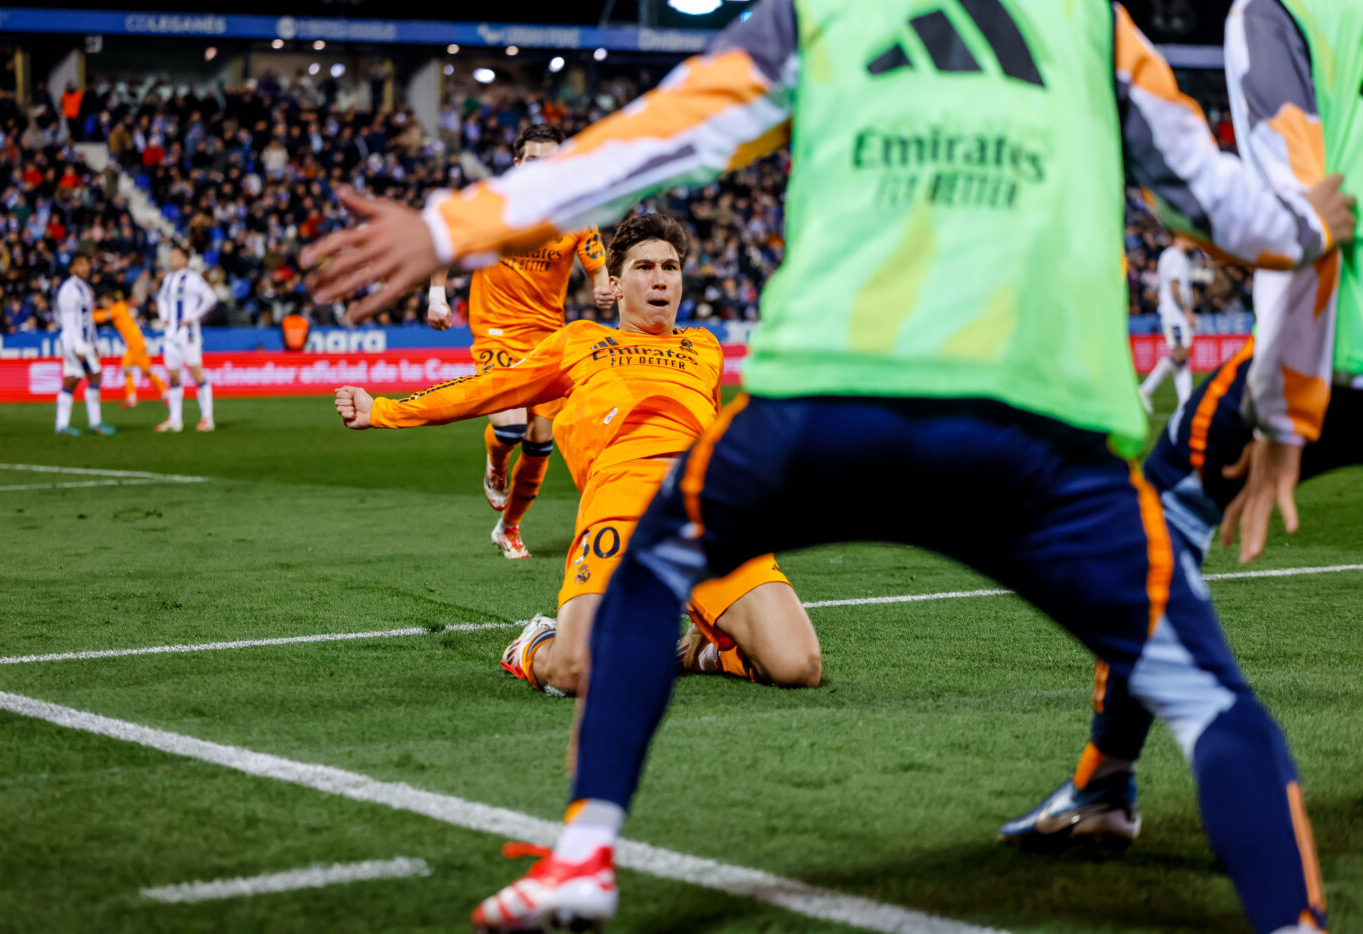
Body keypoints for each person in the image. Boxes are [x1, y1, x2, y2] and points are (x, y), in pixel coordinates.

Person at [302, 2, 1356, 930]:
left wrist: (449, 226)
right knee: (1202, 689)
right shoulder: (1092, 24)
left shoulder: (822, 12)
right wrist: (1305, 226)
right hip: (1038, 426)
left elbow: (664, 133)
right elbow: (1222, 208)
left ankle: (582, 856)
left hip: (835, 398)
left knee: (652, 564)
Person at [1001, 0, 1363, 858]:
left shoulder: (1277, 12)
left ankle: (1102, 783)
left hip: (1339, 356)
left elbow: (1308, 213)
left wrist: (1283, 413)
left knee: (1149, 518)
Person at [335, 214, 821, 696]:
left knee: (798, 665)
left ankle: (697, 650)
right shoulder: (580, 342)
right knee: (576, 672)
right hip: (620, 504)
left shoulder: (705, 348)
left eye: (670, 267)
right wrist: (384, 410)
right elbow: (486, 390)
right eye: (644, 267)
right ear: (616, 284)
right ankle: (534, 644)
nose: (660, 279)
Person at [423, 124, 616, 560]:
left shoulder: (577, 215)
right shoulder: (490, 208)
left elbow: (598, 270)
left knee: (540, 442)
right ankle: (495, 465)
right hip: (496, 331)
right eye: (533, 160)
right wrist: (437, 297)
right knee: (509, 428)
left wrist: (603, 289)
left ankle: (509, 527)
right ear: (517, 163)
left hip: (548, 338)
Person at [153, 244, 217, 433]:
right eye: (170, 255)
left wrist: (194, 316)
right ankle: (175, 420)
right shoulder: (168, 279)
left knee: (197, 374)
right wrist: (164, 315)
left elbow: (211, 298)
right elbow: (161, 299)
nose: (170, 258)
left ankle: (207, 418)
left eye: (174, 256)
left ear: (184, 259)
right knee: (173, 377)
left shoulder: (193, 278)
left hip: (188, 335)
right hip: (171, 334)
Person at [54, 251, 113, 436]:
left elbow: (88, 319)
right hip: (76, 343)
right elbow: (70, 321)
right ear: (72, 268)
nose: (85, 267)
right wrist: (79, 346)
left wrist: (94, 343)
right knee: (95, 376)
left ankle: (62, 425)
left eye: (87, 263)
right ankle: (95, 423)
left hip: (83, 342)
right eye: (80, 264)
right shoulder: (70, 290)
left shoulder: (85, 288)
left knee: (71, 380)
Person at [1139, 235, 1198, 412]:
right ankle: (1146, 389)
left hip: (1175, 314)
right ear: (1181, 236)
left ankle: (1185, 402)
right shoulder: (1175, 257)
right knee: (1180, 354)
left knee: (1183, 359)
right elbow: (1174, 287)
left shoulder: (1170, 255)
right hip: (1175, 315)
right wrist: (1187, 311)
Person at [93, 286, 167, 409]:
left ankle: (155, 394)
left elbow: (101, 316)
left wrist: (87, 316)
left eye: (103, 301)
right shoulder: (120, 307)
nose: (103, 304)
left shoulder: (118, 308)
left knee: (137, 369)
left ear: (108, 299)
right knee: (136, 370)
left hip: (135, 343)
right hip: (135, 343)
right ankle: (146, 395)